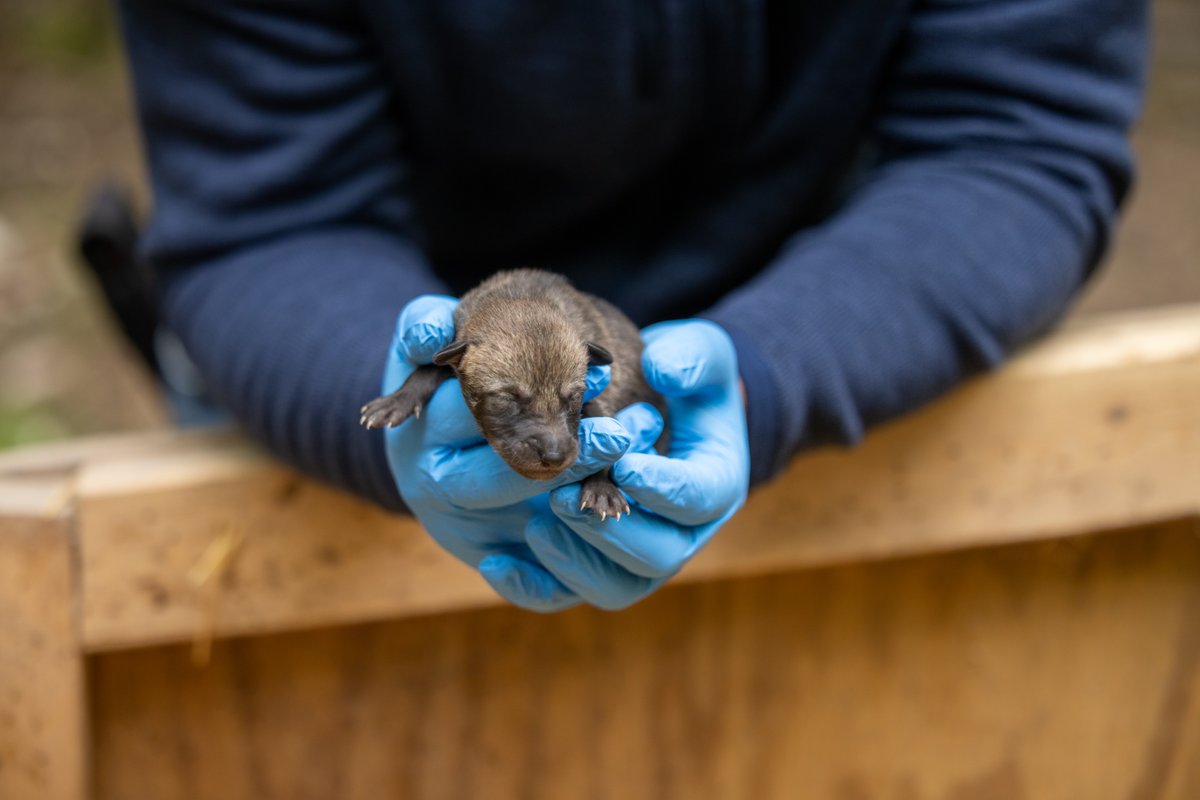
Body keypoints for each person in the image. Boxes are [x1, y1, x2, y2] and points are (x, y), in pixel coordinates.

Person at [116, 0, 1148, 611]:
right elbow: (273, 216)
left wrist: (768, 372)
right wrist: (390, 406)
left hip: (857, 336)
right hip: (354, 370)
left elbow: (1014, 133)